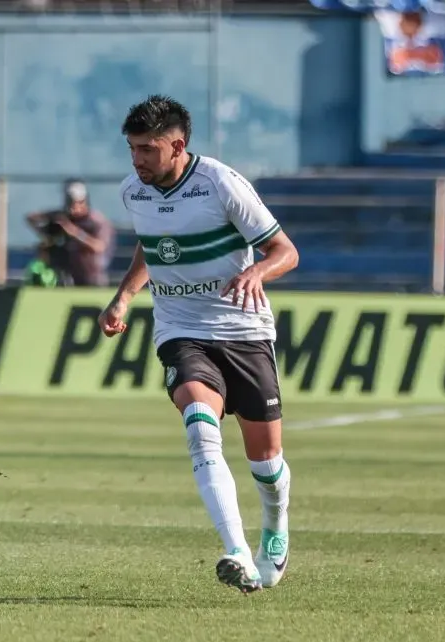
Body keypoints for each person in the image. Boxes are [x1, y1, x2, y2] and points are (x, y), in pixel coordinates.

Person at [97, 95, 300, 594]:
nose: (137, 160)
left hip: (244, 331)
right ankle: (237, 552)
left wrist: (257, 271)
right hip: (181, 331)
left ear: (177, 145)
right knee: (200, 429)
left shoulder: (221, 184)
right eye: (132, 149)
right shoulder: (133, 192)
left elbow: (285, 251)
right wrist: (124, 296)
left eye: (147, 149)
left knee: (266, 463)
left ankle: (275, 526)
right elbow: (150, 242)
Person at [25, 179, 114, 287]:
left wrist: (75, 233)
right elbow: (31, 217)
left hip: (90, 277)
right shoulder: (63, 218)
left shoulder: (96, 221)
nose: (73, 207)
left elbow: (99, 247)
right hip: (67, 276)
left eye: (76, 203)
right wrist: (48, 230)